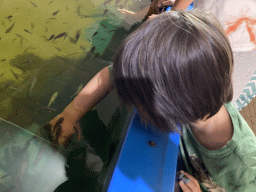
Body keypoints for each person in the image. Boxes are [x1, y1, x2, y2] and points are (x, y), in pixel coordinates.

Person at [44, 10, 256, 191]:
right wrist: (72, 112)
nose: (134, 108)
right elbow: (111, 75)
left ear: (167, 111)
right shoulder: (197, 89)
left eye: (139, 104)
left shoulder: (244, 171)